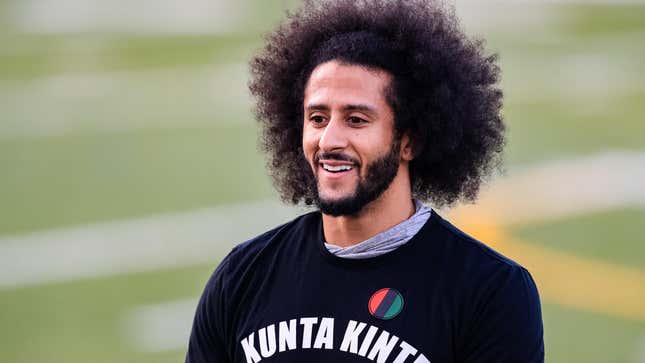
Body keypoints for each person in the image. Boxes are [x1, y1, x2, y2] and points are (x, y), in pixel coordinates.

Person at [186, 0, 544, 362]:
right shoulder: (243, 275)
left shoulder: (490, 291)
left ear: (410, 141)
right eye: (317, 118)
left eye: (356, 119)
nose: (329, 141)